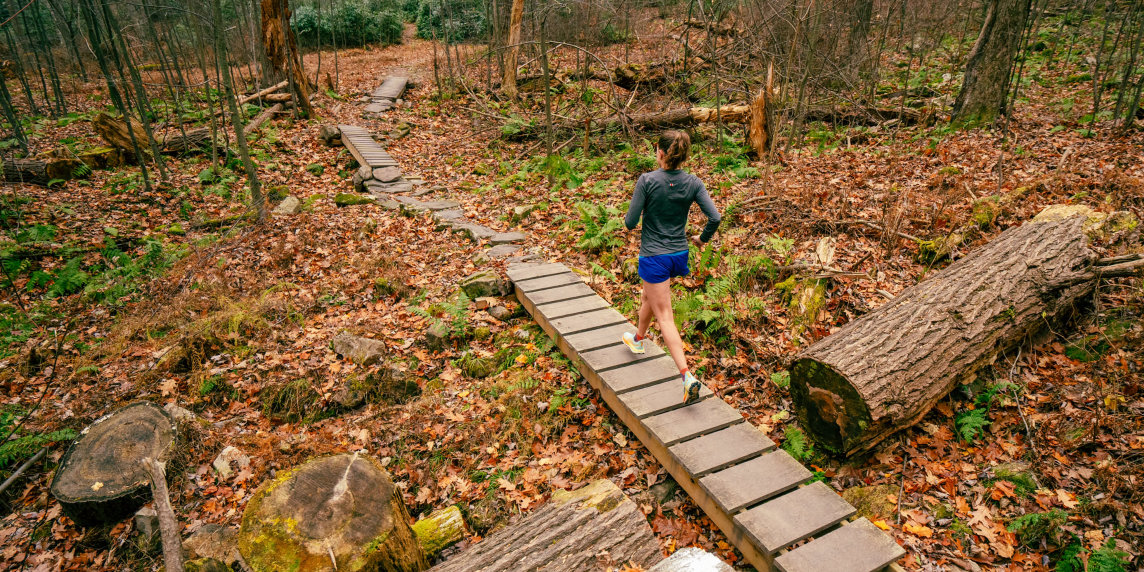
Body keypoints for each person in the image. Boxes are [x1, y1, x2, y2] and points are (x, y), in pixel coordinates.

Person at [620, 130, 721, 404]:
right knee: (649, 296)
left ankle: (687, 376)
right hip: (679, 253)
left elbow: (630, 222)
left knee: (665, 316)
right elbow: (715, 217)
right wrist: (702, 238)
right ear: (684, 155)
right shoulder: (693, 183)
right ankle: (638, 338)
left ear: (660, 152)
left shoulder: (647, 181)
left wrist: (628, 222)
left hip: (654, 256)